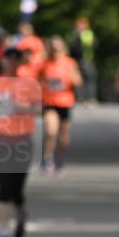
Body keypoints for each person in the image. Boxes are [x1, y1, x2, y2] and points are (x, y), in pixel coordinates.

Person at [0, 47, 42, 237]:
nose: (11, 63)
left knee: (16, 189)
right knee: (3, 188)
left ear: (19, 62)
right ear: (2, 61)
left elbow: (38, 107)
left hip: (22, 140)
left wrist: (22, 108)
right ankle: (3, 234)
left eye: (15, 59)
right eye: (8, 59)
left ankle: (22, 214)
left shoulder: (29, 83)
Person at [39, 36, 82, 174]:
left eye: (58, 47)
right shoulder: (44, 64)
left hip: (65, 102)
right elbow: (38, 81)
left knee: (63, 137)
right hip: (49, 102)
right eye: (53, 48)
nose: (55, 50)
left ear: (63, 48)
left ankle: (60, 158)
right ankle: (47, 158)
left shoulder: (70, 63)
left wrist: (70, 77)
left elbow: (78, 82)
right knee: (50, 131)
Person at [71, 17, 98, 103]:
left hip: (86, 59)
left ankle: (90, 98)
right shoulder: (75, 34)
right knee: (79, 80)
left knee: (89, 79)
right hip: (77, 60)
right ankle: (80, 98)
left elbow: (89, 45)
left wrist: (79, 35)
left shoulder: (87, 33)